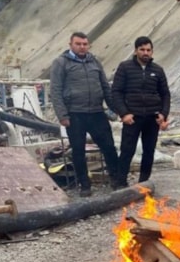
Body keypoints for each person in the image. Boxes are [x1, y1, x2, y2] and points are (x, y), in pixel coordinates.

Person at [50, 32, 120, 197]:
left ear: (88, 45)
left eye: (85, 44)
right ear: (71, 45)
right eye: (78, 44)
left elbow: (105, 86)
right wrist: (62, 115)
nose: (82, 47)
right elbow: (55, 90)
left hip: (96, 112)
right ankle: (84, 185)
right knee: (78, 151)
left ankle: (116, 179)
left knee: (109, 146)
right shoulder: (61, 63)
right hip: (75, 114)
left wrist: (116, 109)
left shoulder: (94, 61)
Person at [111, 36, 170, 187]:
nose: (145, 53)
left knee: (149, 151)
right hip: (132, 117)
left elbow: (165, 94)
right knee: (127, 150)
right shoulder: (125, 67)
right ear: (136, 50)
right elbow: (116, 92)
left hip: (152, 118)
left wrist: (163, 114)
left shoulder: (157, 70)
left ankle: (143, 183)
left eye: (148, 50)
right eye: (142, 50)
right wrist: (124, 113)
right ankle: (120, 182)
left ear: (152, 51)